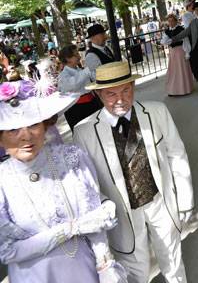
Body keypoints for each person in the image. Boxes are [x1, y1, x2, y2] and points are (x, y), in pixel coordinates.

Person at [74, 61, 193, 283]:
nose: (120, 99)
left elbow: (177, 154)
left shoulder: (157, 111)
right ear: (99, 94)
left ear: (134, 86)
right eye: (111, 93)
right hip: (121, 213)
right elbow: (87, 184)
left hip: (160, 201)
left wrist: (185, 200)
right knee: (135, 272)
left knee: (173, 262)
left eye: (126, 90)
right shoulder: (84, 132)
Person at [0, 74, 126, 283]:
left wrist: (105, 264)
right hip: (33, 277)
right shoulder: (2, 180)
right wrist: (70, 229)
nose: (26, 136)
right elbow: (7, 251)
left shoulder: (70, 158)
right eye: (13, 130)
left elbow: (94, 216)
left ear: (45, 125)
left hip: (83, 269)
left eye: (33, 125)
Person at [58, 44, 103, 130]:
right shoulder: (63, 75)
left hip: (92, 102)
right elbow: (71, 85)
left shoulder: (79, 70)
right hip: (77, 109)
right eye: (76, 54)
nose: (79, 56)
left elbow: (92, 78)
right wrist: (86, 71)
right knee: (85, 131)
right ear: (68, 59)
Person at [162, 14, 193, 97]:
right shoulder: (167, 31)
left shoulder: (181, 29)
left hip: (181, 51)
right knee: (173, 71)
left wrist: (187, 52)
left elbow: (186, 41)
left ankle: (184, 89)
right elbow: (164, 41)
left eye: (172, 21)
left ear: (176, 21)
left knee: (182, 71)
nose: (170, 23)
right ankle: (173, 90)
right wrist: (167, 41)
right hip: (172, 52)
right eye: (169, 21)